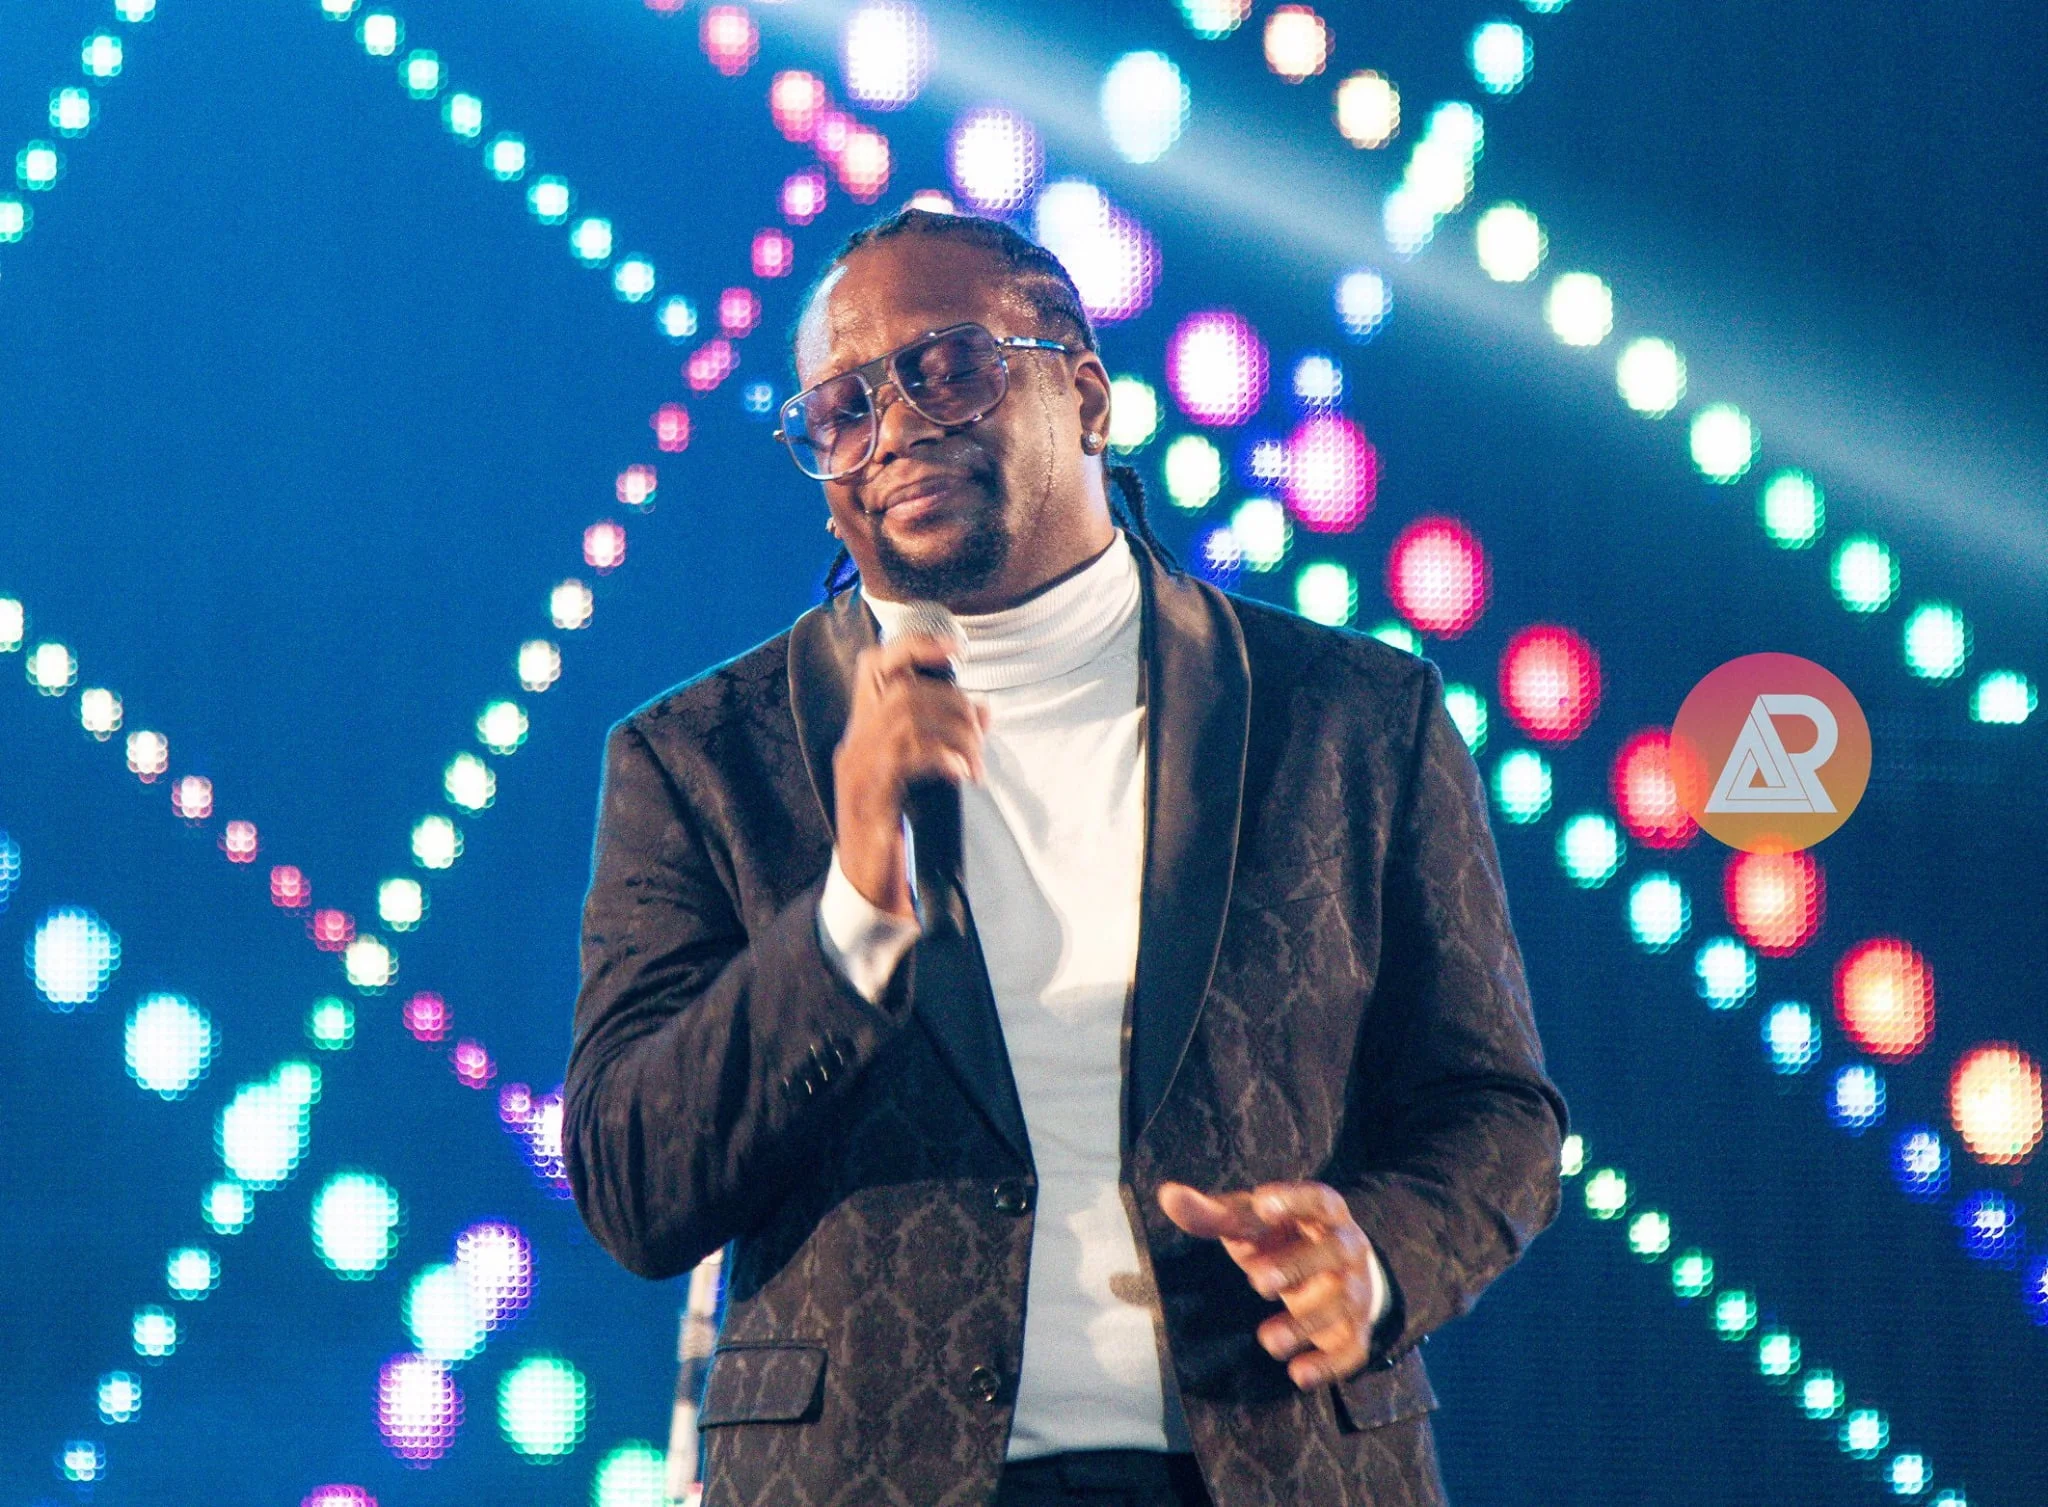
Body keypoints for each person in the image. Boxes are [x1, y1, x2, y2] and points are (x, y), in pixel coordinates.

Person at [565, 208, 1567, 1507]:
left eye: (946, 368)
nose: (894, 429)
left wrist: (1377, 1258)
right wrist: (851, 909)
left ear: (1087, 396)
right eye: (842, 410)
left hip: (1281, 1463)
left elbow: (1497, 1112)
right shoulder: (702, 756)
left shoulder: (1356, 716)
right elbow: (635, 1186)